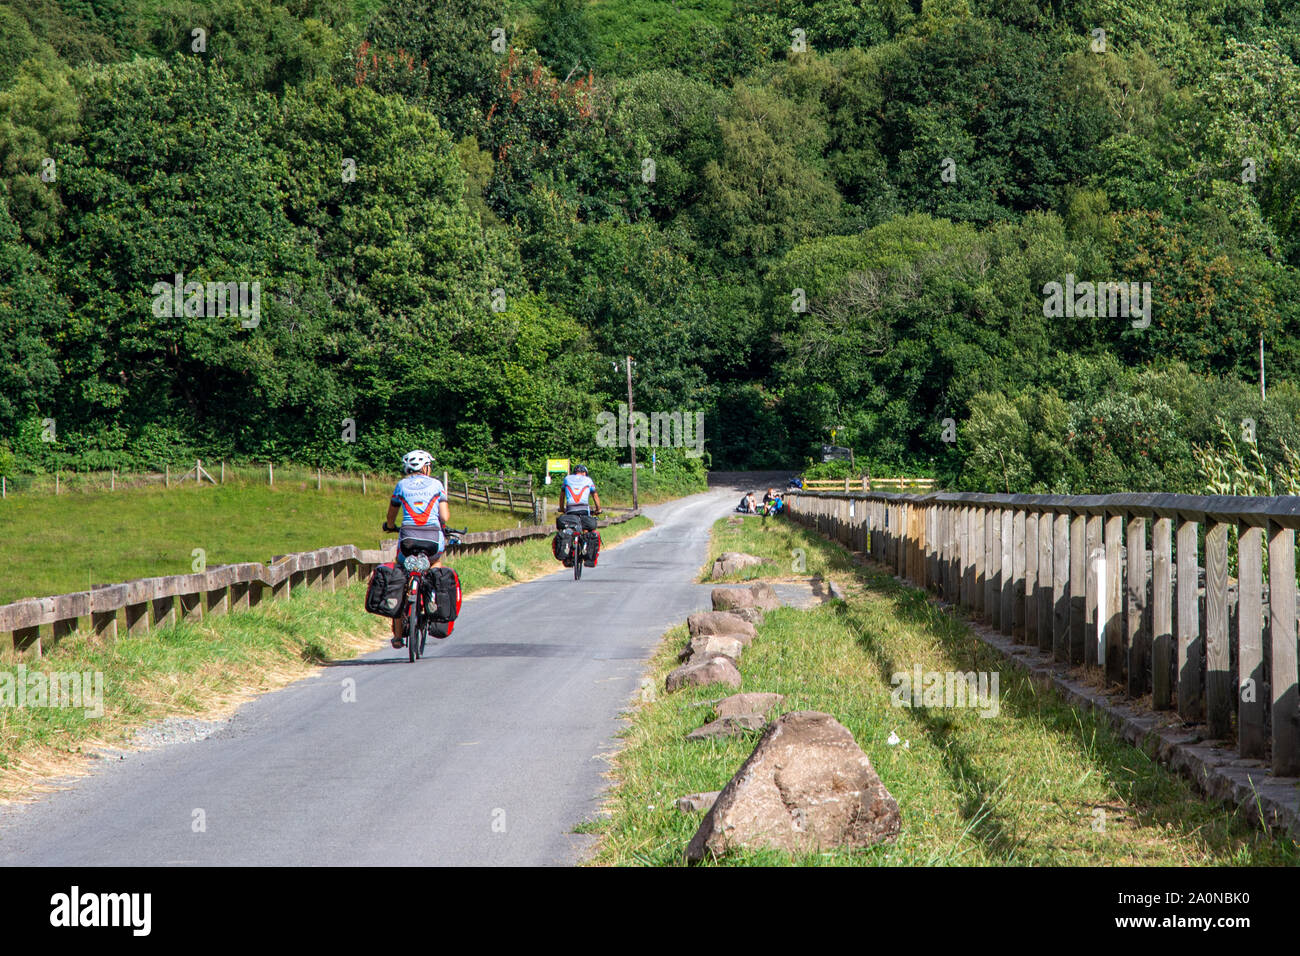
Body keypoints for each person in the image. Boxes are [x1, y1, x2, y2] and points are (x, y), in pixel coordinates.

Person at [381, 449, 451, 648]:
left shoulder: (401, 485)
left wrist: (390, 526)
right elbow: (444, 517)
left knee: (401, 572)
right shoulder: (437, 485)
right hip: (432, 540)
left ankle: (397, 634)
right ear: (426, 467)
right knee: (435, 563)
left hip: (408, 540)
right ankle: (434, 599)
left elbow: (391, 515)